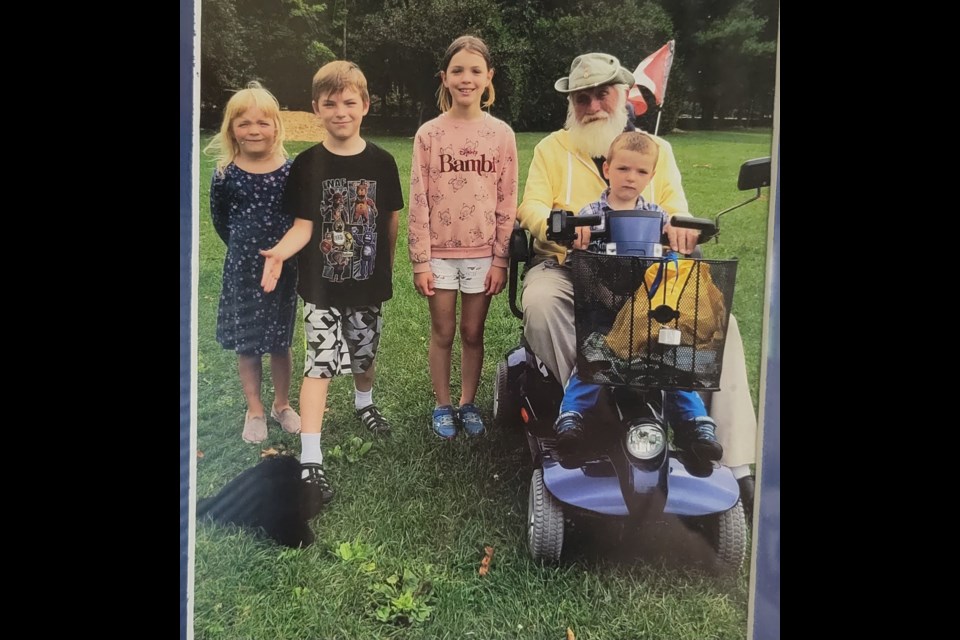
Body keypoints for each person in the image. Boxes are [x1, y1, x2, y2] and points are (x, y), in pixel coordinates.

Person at [516, 53, 757, 515]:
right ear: (572, 103)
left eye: (602, 93)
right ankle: (593, 411)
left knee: (720, 323)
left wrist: (681, 231)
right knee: (543, 303)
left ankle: (736, 460)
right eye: (581, 97)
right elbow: (531, 207)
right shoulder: (552, 148)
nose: (593, 105)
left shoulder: (655, 150)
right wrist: (563, 226)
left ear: (623, 95)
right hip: (574, 266)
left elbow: (675, 208)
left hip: (648, 273)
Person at [260, 61, 404, 516]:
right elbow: (304, 226)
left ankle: (364, 402)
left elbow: (390, 223)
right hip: (319, 288)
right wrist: (281, 253)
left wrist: (387, 267)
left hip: (367, 285)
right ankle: (311, 458)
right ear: (316, 108)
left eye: (349, 102)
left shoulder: (382, 162)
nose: (340, 111)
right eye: (330, 103)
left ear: (365, 105)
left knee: (363, 355)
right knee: (320, 364)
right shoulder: (306, 164)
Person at [556, 131, 722, 463]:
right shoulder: (591, 213)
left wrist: (677, 241)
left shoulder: (660, 218)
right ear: (607, 169)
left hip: (647, 314)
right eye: (623, 169)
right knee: (594, 357)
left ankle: (694, 423)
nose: (631, 178)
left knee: (675, 361)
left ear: (651, 176)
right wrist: (578, 240)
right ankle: (572, 418)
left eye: (641, 172)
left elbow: (673, 258)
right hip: (606, 310)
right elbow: (579, 264)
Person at [408, 35, 518, 439]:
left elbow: (508, 200)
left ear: (489, 77)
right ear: (445, 77)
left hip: (483, 255)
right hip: (438, 253)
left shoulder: (502, 135)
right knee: (444, 332)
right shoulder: (429, 135)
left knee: (473, 333)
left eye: (475, 71)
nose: (466, 78)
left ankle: (468, 403)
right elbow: (418, 199)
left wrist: (501, 258)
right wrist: (420, 260)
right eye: (457, 71)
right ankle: (442, 405)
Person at [205, 81, 301, 444]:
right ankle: (255, 410)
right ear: (231, 128)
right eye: (244, 123)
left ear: (276, 126)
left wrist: (282, 253)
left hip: (283, 271)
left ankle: (281, 404)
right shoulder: (225, 173)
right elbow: (220, 219)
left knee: (280, 342)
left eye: (263, 123)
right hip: (242, 272)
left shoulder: (290, 170)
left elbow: (299, 219)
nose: (254, 130)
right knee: (247, 344)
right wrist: (243, 250)